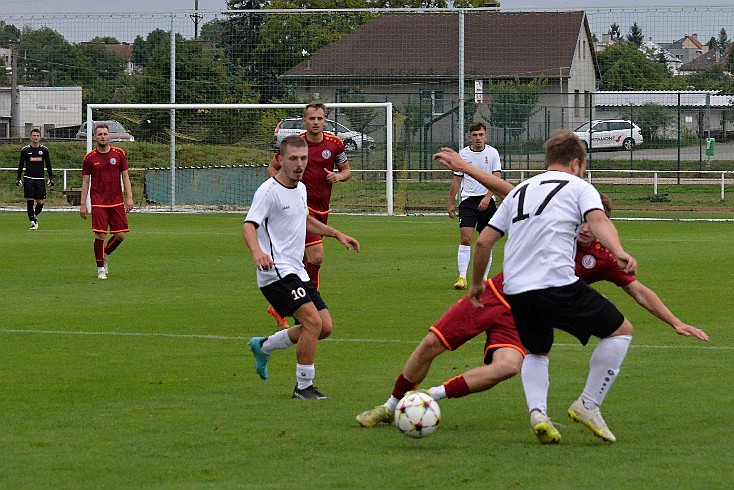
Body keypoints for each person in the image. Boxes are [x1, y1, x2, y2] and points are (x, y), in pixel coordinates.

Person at [356, 190, 709, 428]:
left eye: (591, 223)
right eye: (580, 220)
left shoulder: (600, 257)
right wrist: (465, 168)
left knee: (508, 367)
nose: (584, 228)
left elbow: (639, 291)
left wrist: (676, 322)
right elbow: (507, 190)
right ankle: (389, 407)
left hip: (526, 316)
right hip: (494, 294)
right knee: (431, 345)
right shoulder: (550, 227)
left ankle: (428, 397)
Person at [436, 129, 637, 445]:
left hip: (516, 290)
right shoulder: (579, 186)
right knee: (621, 330)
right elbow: (598, 220)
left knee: (538, 350)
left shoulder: (522, 189)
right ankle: (588, 404)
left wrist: (476, 284)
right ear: (575, 163)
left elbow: (485, 241)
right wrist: (620, 250)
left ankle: (538, 413)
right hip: (555, 282)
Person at [245, 135, 360, 400]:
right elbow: (248, 225)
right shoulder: (268, 191)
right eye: (293, 159)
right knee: (312, 322)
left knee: (325, 327)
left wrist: (336, 233)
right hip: (275, 272)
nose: (299, 164)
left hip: (296, 270)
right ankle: (303, 387)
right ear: (280, 160)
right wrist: (257, 252)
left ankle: (264, 346)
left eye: (303, 159)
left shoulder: (300, 189)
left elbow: (303, 219)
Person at [265, 102, 351, 329]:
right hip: (300, 210)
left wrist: (338, 178)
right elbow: (272, 168)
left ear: (325, 121)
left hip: (323, 210)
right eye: (311, 118)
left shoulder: (335, 144)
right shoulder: (296, 145)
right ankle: (308, 304)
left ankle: (281, 304)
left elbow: (346, 171)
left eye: (319, 119)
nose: (315, 122)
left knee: (302, 261)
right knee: (317, 256)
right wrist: (283, 193)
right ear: (304, 121)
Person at [447, 122, 502, 290]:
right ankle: (462, 277)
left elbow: (496, 177)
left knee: (486, 241)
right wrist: (450, 202)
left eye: (481, 135)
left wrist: (487, 197)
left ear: (485, 136)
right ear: (469, 137)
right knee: (466, 238)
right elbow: (457, 179)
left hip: (487, 201)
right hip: (468, 201)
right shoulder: (463, 154)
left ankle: (484, 278)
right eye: (475, 135)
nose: (478, 138)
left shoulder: (492, 153)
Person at [79, 123, 134, 280]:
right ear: (95, 137)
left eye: (105, 134)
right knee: (100, 235)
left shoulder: (119, 154)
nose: (103, 137)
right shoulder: (89, 158)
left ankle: (105, 254)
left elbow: (125, 176)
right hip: (98, 201)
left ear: (109, 136)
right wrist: (83, 204)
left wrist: (129, 198)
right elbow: (85, 182)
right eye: (100, 134)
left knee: (120, 236)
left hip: (116, 201)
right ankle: (101, 269)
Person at [16, 128, 54, 230]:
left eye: (37, 136)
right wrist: (18, 178)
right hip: (28, 178)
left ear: (40, 137)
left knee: (40, 202)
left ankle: (34, 216)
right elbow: (20, 165)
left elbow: (48, 165)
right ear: (30, 137)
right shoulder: (25, 150)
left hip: (40, 178)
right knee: (30, 199)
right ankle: (32, 221)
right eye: (34, 135)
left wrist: (51, 177)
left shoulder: (44, 151)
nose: (35, 137)